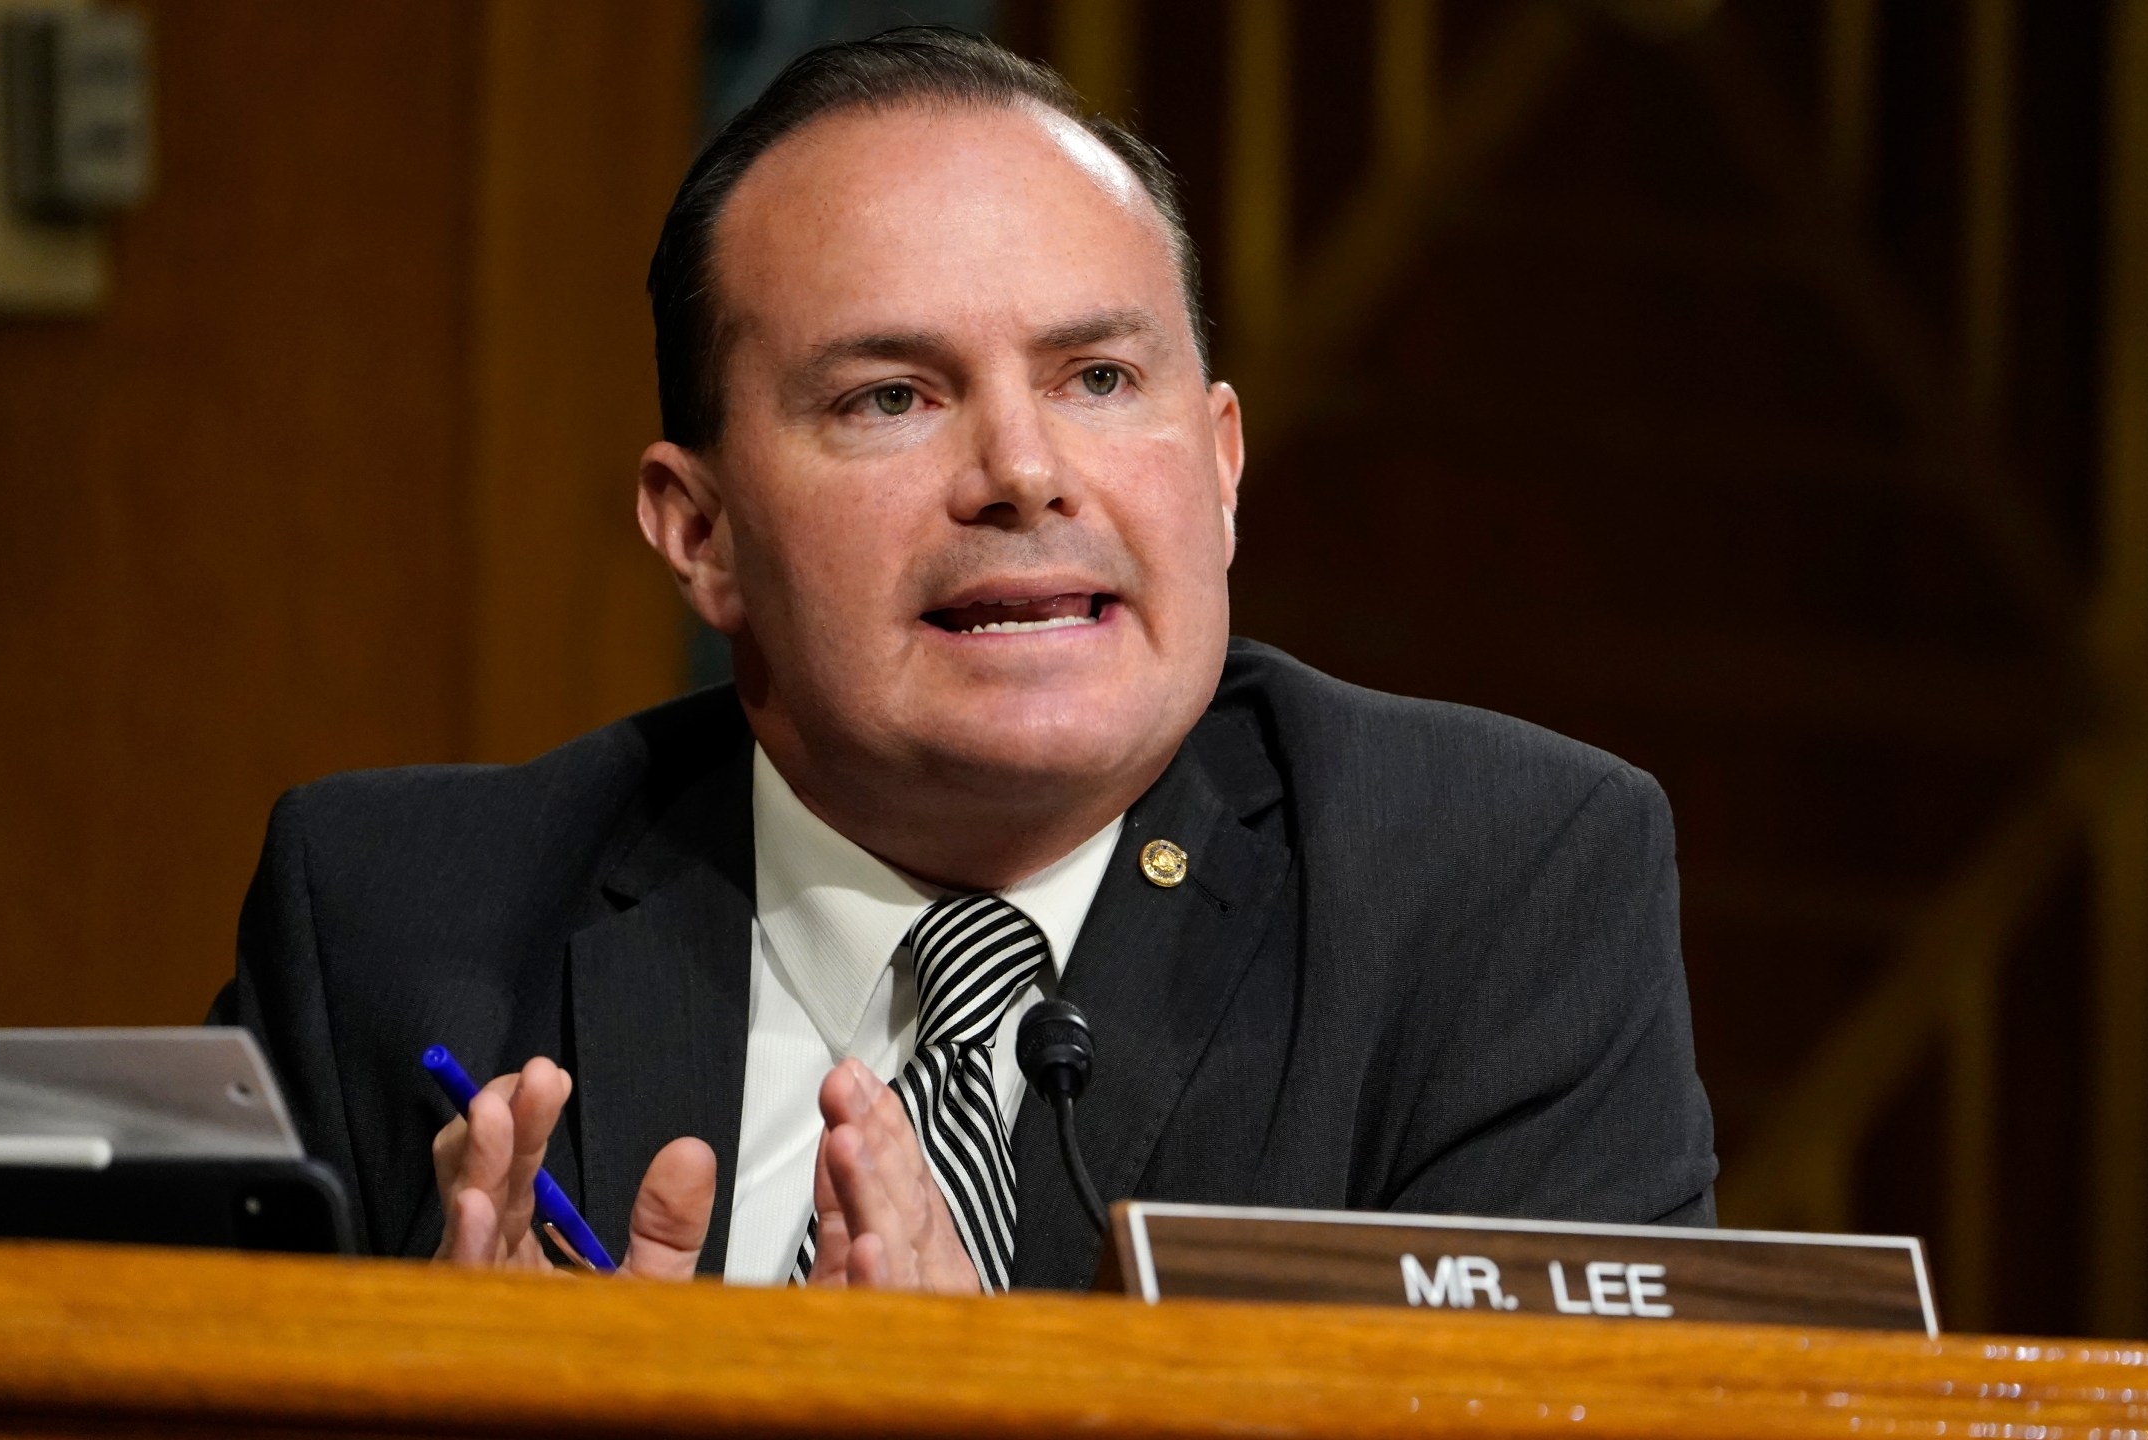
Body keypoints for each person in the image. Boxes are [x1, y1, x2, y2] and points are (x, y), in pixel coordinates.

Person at [210, 27, 1716, 1293]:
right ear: (701, 532)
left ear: (1222, 463)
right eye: (890, 398)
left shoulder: (1490, 893)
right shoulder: (395, 920)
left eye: (1101, 378)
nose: (1024, 471)